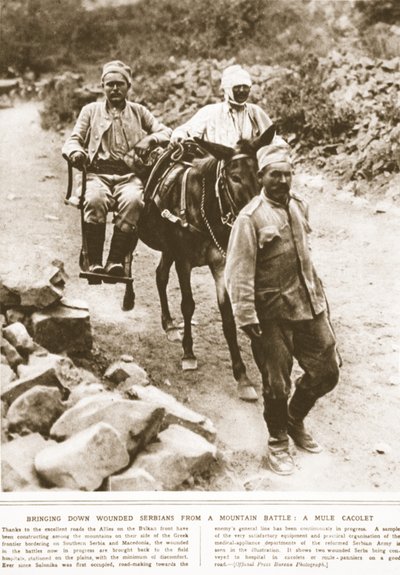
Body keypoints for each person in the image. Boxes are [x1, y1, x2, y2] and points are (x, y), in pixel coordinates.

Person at [225, 144, 340, 476]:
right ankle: (277, 441)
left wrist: (322, 303)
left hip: (309, 305)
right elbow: (238, 272)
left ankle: (294, 419)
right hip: (271, 314)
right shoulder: (250, 218)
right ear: (261, 176)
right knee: (276, 384)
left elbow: (307, 260)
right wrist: (246, 316)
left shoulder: (300, 205)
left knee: (327, 371)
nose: (282, 180)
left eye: (287, 173)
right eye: (275, 174)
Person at [62, 60, 171, 276]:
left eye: (120, 84)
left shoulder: (139, 112)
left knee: (133, 201)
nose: (114, 89)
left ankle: (115, 261)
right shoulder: (90, 111)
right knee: (93, 200)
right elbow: (73, 139)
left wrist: (150, 140)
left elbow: (166, 132)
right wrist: (76, 152)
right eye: (109, 84)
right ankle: (94, 261)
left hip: (129, 175)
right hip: (97, 174)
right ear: (102, 87)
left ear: (128, 87)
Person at [171, 64, 280, 147]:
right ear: (228, 89)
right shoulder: (210, 111)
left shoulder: (255, 112)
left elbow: (273, 139)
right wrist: (179, 136)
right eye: (237, 87)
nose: (242, 91)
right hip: (218, 169)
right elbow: (186, 130)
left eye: (245, 86)